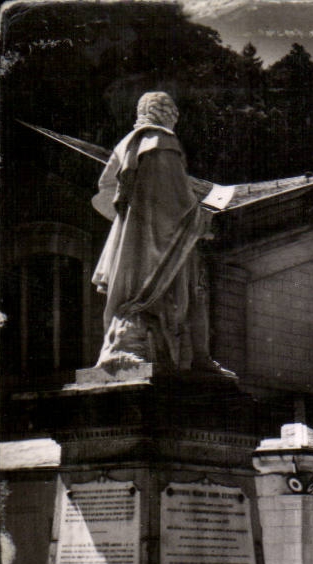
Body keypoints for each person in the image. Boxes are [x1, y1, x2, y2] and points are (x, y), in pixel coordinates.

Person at [91, 91, 226, 376]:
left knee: (137, 290)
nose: (174, 117)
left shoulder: (126, 143)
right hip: (165, 240)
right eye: (173, 112)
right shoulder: (164, 141)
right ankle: (181, 356)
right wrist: (203, 215)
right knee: (174, 292)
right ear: (167, 113)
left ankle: (134, 349)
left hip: (134, 237)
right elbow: (176, 198)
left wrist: (130, 216)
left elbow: (104, 189)